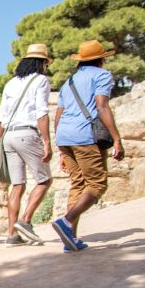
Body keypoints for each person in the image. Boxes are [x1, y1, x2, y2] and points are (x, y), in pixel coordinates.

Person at [52, 39, 125, 252]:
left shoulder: (69, 82)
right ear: (101, 59)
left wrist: (61, 147)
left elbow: (59, 114)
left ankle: (70, 239)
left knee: (78, 184)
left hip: (65, 136)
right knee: (97, 183)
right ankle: (66, 222)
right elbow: (102, 106)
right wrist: (117, 139)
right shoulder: (102, 75)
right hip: (85, 136)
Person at [0, 44, 53, 246]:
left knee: (17, 185)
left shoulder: (11, 83)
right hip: (27, 133)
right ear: (42, 63)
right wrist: (46, 142)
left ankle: (12, 235)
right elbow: (41, 113)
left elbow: (0, 119)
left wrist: (4, 142)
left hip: (8, 136)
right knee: (44, 179)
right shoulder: (41, 81)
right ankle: (25, 221)